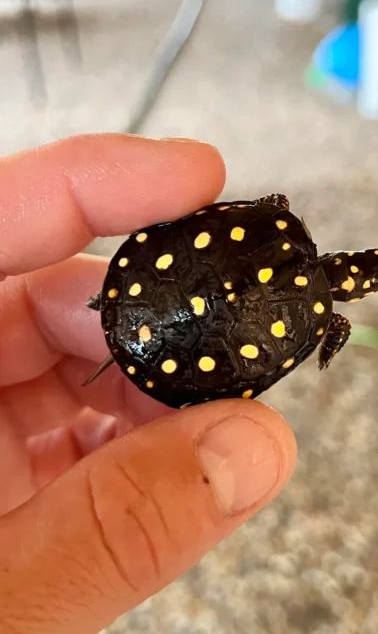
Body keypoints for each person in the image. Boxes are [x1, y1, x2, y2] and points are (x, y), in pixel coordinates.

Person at [0, 134, 297, 634]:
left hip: (141, 284)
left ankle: (115, 310)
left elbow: (255, 215)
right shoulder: (319, 321)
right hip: (160, 327)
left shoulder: (284, 228)